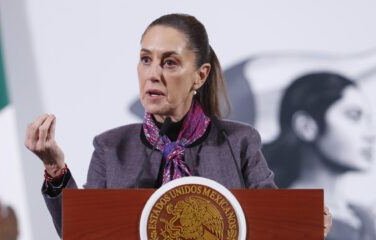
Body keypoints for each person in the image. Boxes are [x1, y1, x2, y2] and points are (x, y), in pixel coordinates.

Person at [24, 14, 332, 238]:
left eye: (169, 62)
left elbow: (274, 222)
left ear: (200, 75)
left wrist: (308, 220)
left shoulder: (240, 142)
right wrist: (55, 168)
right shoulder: (110, 147)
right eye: (146, 60)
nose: (153, 74)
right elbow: (82, 231)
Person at [263, 72, 374, 240]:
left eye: (368, 120)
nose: (370, 134)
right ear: (306, 126)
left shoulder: (363, 215)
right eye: (354, 116)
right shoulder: (283, 219)